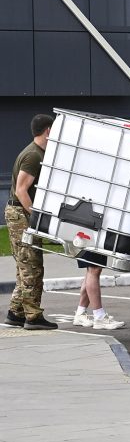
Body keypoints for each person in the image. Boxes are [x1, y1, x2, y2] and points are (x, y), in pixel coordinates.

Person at [5, 114, 57, 330]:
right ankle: (33, 316)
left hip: (18, 213)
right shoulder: (33, 156)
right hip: (20, 214)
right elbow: (21, 190)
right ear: (47, 131)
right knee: (31, 266)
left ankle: (15, 313)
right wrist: (36, 218)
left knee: (24, 265)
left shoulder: (36, 152)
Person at [71, 251, 125, 330]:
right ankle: (99, 317)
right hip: (89, 240)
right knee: (94, 269)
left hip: (89, 240)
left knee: (92, 269)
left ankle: (80, 313)